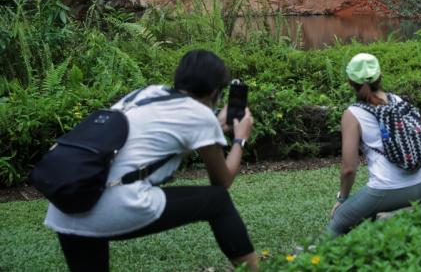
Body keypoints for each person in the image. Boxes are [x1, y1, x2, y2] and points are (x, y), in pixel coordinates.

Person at [44, 50, 259, 271]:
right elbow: (221, 182)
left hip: (68, 201)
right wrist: (240, 138)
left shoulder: (146, 93)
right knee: (218, 200)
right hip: (114, 203)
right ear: (215, 92)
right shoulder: (200, 116)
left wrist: (212, 123)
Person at [328, 53, 421, 237]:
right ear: (379, 76)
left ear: (350, 82)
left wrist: (342, 199)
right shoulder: (397, 100)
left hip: (387, 190)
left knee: (338, 221)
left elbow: (349, 168)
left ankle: (319, 261)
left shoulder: (353, 114)